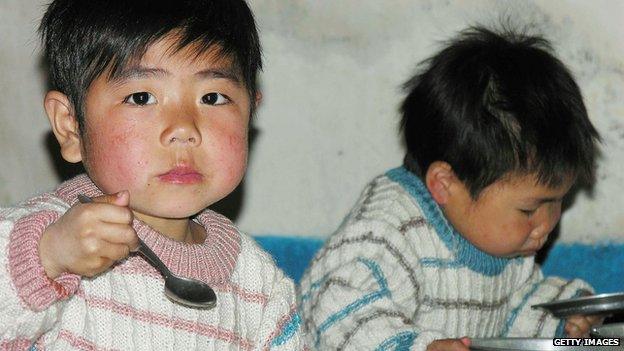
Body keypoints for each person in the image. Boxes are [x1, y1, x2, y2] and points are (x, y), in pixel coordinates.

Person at [0, 1, 306, 349]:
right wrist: (46, 259)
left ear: (250, 111)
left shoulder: (260, 286)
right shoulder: (46, 237)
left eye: (213, 97)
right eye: (142, 97)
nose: (183, 128)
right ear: (70, 127)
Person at [298, 26, 602, 351]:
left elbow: (513, 309)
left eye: (557, 202)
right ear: (445, 185)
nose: (545, 224)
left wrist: (566, 318)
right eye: (529, 209)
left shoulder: (503, 241)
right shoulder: (386, 232)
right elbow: (335, 313)